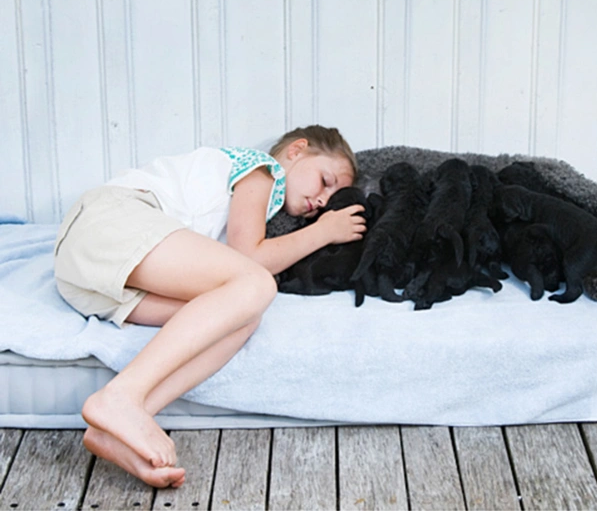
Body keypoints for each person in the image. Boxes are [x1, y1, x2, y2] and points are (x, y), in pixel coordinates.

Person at [53, 125, 365, 488]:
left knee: (243, 317)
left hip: (95, 279)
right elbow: (250, 255)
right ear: (297, 150)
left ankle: (118, 426)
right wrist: (322, 232)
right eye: (325, 180)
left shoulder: (261, 204)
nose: (324, 200)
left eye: (333, 196)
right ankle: (120, 396)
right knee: (256, 283)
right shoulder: (262, 170)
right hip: (109, 223)